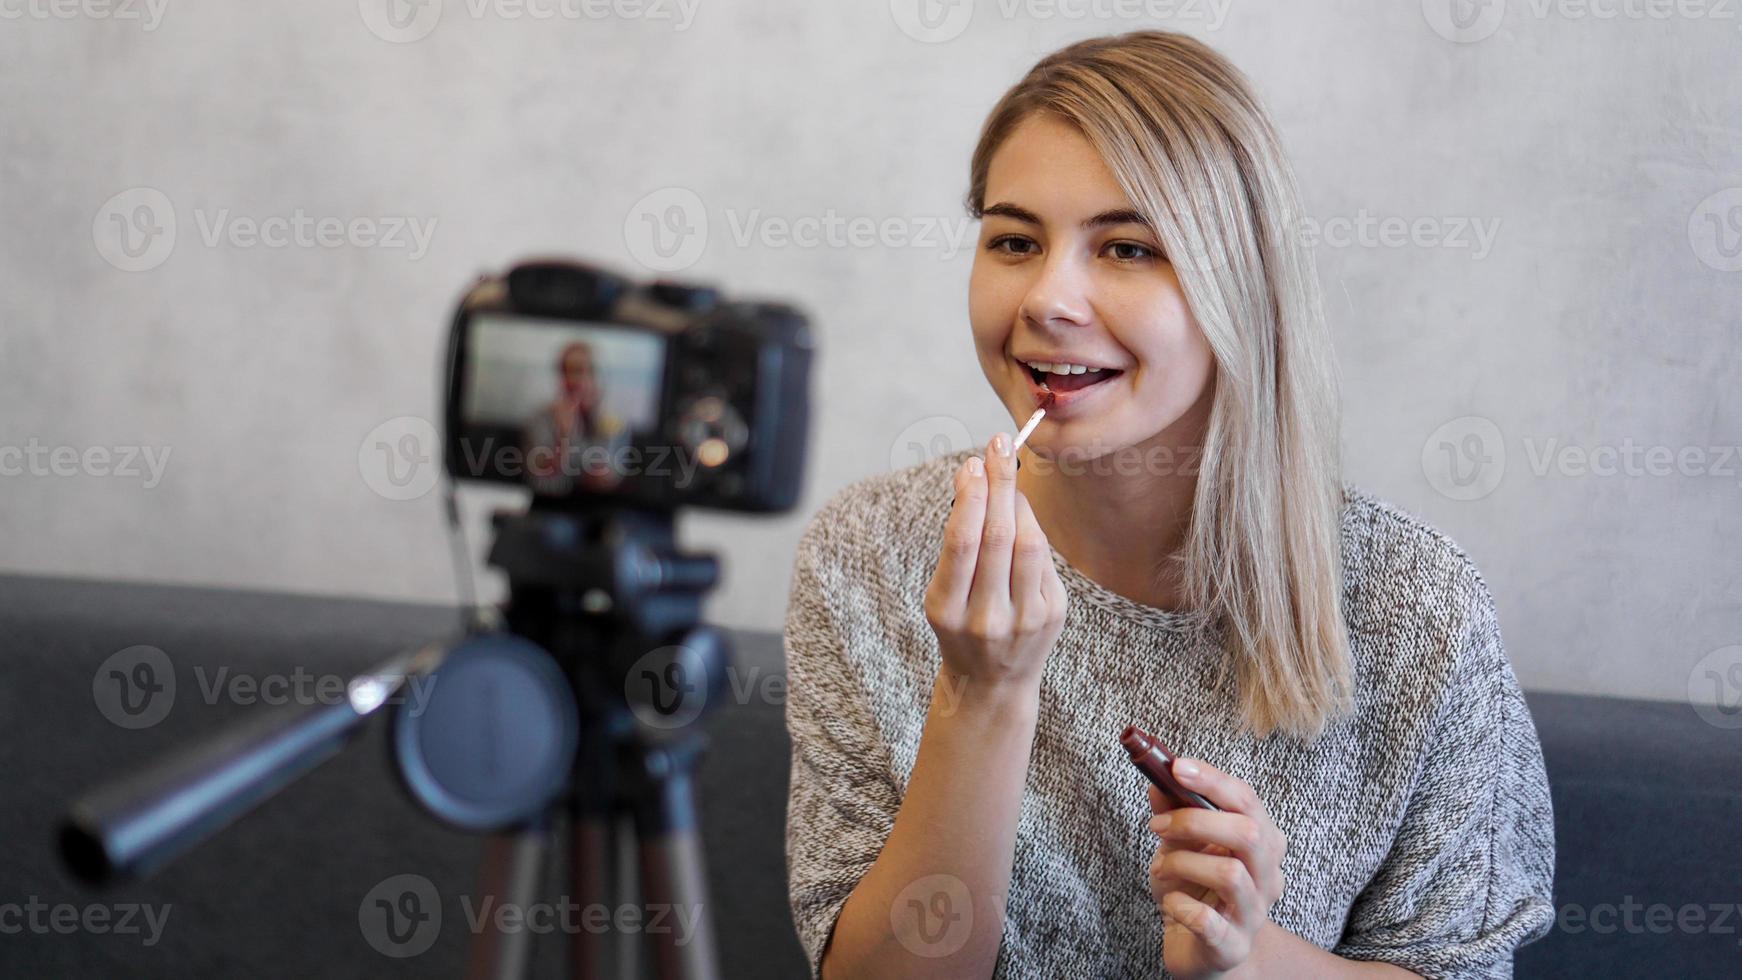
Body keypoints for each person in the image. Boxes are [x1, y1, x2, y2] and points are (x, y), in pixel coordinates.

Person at [783, 31, 1554, 980]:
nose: (1049, 298)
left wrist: (1248, 960)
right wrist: (981, 698)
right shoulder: (867, 555)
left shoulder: (1417, 607)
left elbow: (1457, 967)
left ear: (1239, 284)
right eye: (1014, 241)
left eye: (1128, 247)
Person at [522, 341, 630, 496]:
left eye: (589, 371)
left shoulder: (612, 421)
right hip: (550, 507)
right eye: (571, 371)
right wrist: (563, 436)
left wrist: (597, 425)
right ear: (561, 378)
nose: (578, 381)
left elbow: (606, 480)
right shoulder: (539, 419)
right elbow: (542, 481)